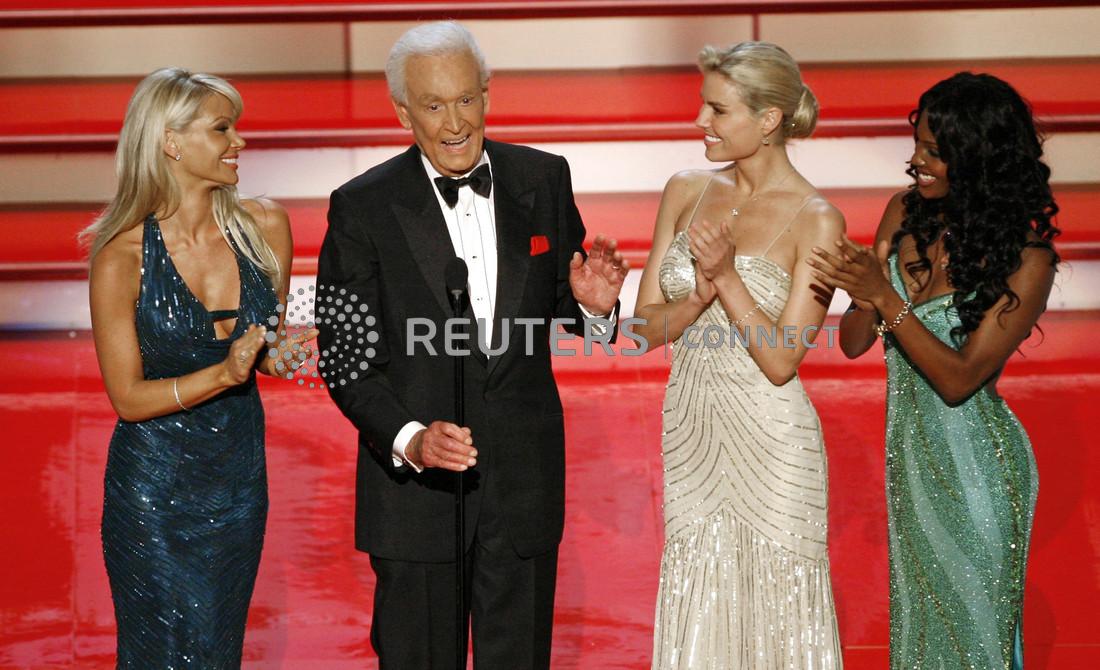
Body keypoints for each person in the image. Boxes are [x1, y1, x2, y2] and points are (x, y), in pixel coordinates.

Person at [315, 21, 628, 669]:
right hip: (417, 501)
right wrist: (409, 437)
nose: (455, 122)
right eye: (433, 106)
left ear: (486, 93)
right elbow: (345, 358)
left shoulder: (541, 178)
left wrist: (595, 310)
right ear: (403, 111)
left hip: (523, 487)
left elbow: (565, 304)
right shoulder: (363, 207)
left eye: (466, 99)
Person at [809, 71, 1058, 668]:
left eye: (934, 152)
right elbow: (851, 341)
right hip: (912, 465)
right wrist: (866, 282)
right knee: (921, 635)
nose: (915, 161)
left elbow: (958, 378)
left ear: (976, 160)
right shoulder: (904, 213)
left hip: (981, 470)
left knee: (976, 643)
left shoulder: (1028, 260)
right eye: (916, 143)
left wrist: (886, 297)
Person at [84, 67, 312, 667]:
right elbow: (128, 398)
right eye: (222, 128)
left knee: (217, 649)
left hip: (237, 483)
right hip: (153, 494)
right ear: (170, 141)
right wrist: (223, 374)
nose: (238, 141)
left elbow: (271, 355)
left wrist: (302, 351)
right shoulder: (121, 257)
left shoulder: (266, 226)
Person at [632, 42, 844, 668]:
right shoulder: (684, 189)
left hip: (774, 445)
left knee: (780, 616)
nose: (702, 121)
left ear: (770, 118)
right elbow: (645, 330)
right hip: (692, 435)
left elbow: (783, 360)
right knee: (701, 604)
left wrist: (726, 277)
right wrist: (698, 294)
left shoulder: (818, 220)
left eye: (719, 110)